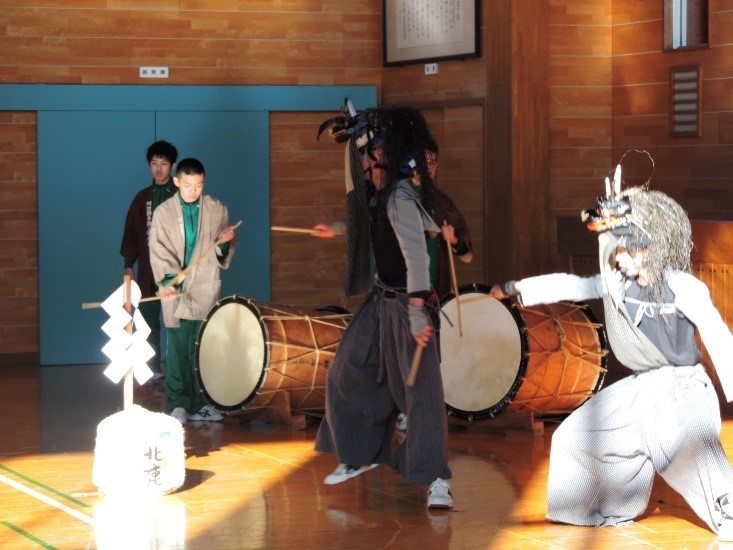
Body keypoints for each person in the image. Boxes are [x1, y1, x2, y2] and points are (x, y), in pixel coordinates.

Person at [490, 166, 733, 540]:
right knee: (573, 437)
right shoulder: (616, 285)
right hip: (641, 389)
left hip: (684, 389)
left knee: (687, 448)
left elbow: (717, 334)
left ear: (646, 247)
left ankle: (729, 513)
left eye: (622, 249)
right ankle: (606, 508)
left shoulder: (684, 287)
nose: (615, 258)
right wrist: (514, 288)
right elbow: (571, 284)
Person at [314, 106, 454, 510]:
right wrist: (337, 228)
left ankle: (436, 479)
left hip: (409, 303)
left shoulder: (399, 199)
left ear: (381, 158)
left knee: (420, 394)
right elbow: (378, 230)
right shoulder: (381, 197)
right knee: (345, 370)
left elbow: (415, 258)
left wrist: (416, 314)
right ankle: (358, 454)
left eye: (365, 154)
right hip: (381, 301)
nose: (360, 162)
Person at [149, 157, 237, 425]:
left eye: (198, 185)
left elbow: (224, 249)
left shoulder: (216, 208)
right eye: (187, 185)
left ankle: (200, 404)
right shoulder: (163, 213)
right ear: (177, 182)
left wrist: (224, 243)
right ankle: (177, 403)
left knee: (202, 350)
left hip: (204, 288)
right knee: (176, 350)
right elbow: (159, 250)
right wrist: (170, 281)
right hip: (176, 289)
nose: (193, 191)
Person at [120, 140, 179, 382]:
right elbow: (132, 232)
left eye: (163, 163)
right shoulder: (142, 198)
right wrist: (128, 265)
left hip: (176, 271)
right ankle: (153, 370)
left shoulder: (180, 195)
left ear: (172, 165)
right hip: (146, 271)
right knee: (148, 322)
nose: (158, 168)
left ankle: (177, 372)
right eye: (154, 163)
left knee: (177, 324)